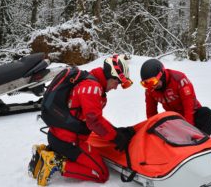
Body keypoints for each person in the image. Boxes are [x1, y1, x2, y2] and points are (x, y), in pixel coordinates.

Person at [30, 54, 135, 186]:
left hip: (58, 136)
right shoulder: (92, 87)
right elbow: (94, 121)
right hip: (69, 141)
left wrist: (115, 131)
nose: (116, 87)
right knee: (101, 173)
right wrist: (117, 137)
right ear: (110, 75)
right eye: (117, 82)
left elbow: (92, 117)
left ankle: (43, 153)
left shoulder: (89, 81)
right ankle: (55, 163)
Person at [139, 59, 211, 135]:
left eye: (153, 81)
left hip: (193, 115)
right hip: (175, 117)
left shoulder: (179, 79)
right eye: (146, 83)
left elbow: (189, 108)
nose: (152, 85)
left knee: (206, 113)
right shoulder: (150, 89)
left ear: (161, 74)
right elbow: (151, 113)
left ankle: (201, 140)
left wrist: (188, 132)